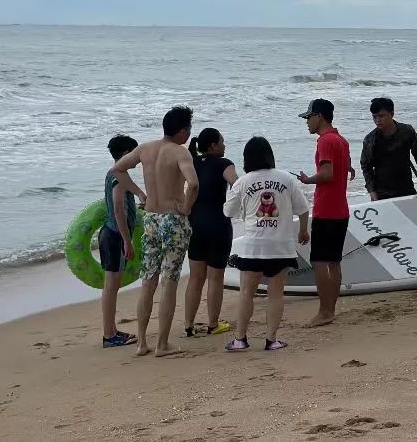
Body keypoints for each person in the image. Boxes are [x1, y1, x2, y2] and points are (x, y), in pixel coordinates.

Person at [113, 106, 199, 357]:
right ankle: (162, 344)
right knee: (169, 282)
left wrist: (139, 192)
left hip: (151, 218)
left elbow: (117, 169)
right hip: (173, 219)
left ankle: (142, 343)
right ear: (183, 130)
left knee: (148, 280)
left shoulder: (145, 149)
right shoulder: (179, 152)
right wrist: (186, 206)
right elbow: (193, 183)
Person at [223, 136, 310, 352]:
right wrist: (303, 230)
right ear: (270, 155)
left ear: (246, 159)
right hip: (281, 246)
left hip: (254, 246)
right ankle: (271, 340)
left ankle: (240, 339)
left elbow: (228, 211)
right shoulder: (285, 179)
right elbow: (303, 208)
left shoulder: (243, 181)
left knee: (246, 293)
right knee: (276, 293)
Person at [297, 98, 350, 327]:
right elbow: (344, 169)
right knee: (334, 263)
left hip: (327, 209)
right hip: (341, 209)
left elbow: (327, 173)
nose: (307, 122)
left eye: (308, 117)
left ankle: (324, 311)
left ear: (319, 116)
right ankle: (331, 310)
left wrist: (308, 180)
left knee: (319, 261)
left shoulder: (325, 141)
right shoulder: (341, 140)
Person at [184, 127, 238, 337]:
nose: (224, 145)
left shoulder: (192, 163)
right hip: (218, 225)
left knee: (195, 278)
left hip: (195, 225)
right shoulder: (224, 163)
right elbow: (237, 184)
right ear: (213, 145)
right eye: (222, 142)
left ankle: (189, 325)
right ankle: (213, 324)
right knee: (215, 277)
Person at [101, 135, 147, 347]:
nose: (137, 159)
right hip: (115, 235)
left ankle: (111, 332)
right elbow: (118, 208)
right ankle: (109, 335)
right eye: (134, 153)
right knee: (111, 286)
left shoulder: (117, 174)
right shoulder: (118, 177)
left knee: (111, 285)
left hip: (111, 234)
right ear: (126, 153)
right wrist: (127, 241)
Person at [360, 97, 417, 201]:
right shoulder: (371, 139)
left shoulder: (407, 131)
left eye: (381, 116)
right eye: (374, 117)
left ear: (392, 114)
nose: (377, 120)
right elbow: (366, 166)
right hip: (382, 192)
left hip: (406, 188)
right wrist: (372, 191)